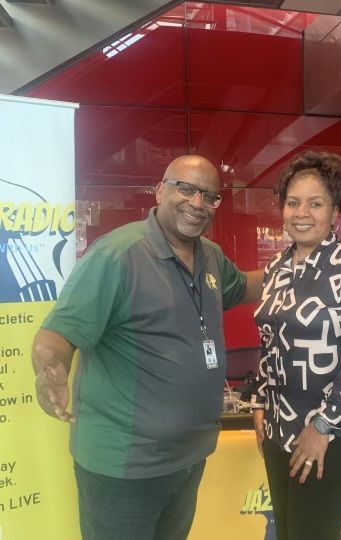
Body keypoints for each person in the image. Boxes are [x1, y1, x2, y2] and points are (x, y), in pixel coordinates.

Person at [31, 155, 263, 540]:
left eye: (209, 195)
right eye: (186, 189)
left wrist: (302, 263)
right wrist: (50, 365)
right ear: (160, 191)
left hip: (187, 459)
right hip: (126, 467)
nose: (197, 202)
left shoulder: (210, 255)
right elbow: (58, 333)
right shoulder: (117, 254)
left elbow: (243, 286)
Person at [252, 150, 341, 540]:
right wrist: (260, 401)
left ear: (334, 211)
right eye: (293, 202)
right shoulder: (276, 268)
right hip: (278, 427)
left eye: (315, 203)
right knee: (287, 531)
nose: (301, 213)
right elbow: (270, 342)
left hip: (331, 431)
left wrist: (323, 425)